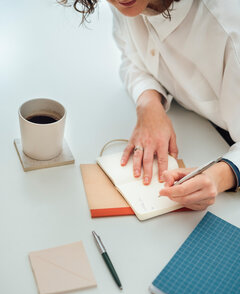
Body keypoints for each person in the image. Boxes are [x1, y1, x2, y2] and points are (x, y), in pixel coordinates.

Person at [70, 0, 240, 210]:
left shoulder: (228, 27)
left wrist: (219, 176)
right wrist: (148, 103)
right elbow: (131, 58)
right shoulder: (129, 5)